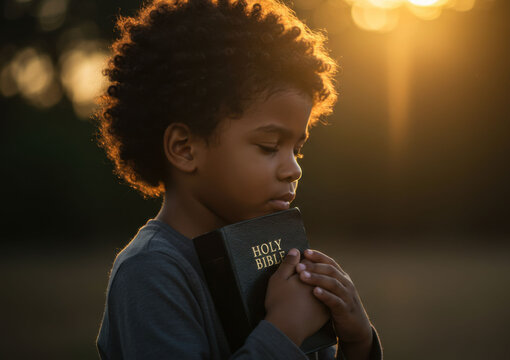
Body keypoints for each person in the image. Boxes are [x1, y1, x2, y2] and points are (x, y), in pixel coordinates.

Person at [93, 0, 382, 359]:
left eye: (298, 149)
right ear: (184, 148)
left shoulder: (277, 258)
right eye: (268, 146)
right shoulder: (151, 272)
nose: (293, 168)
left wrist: (357, 340)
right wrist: (285, 329)